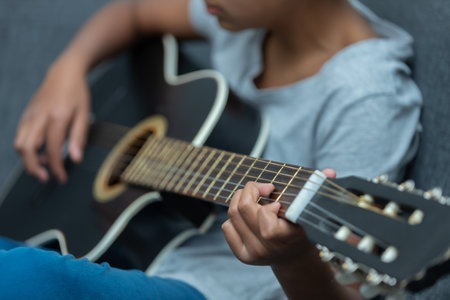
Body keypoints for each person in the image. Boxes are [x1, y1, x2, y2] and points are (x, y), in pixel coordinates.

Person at [6, 0, 421, 298]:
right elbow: (133, 12)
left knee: (21, 277)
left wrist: (292, 259)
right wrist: (67, 69)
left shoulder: (367, 100)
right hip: (139, 245)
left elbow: (345, 292)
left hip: (215, 286)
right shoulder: (246, 15)